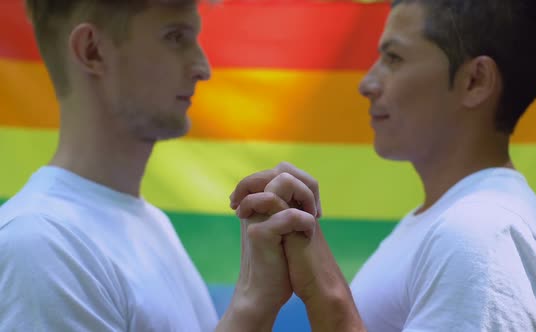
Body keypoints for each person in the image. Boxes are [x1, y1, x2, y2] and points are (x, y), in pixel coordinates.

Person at [229, 0, 536, 331]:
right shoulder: (456, 221)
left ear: (476, 81)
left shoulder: (481, 232)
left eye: (394, 58)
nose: (367, 84)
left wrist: (326, 292)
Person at [0, 1, 315, 331]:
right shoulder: (41, 247)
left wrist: (258, 299)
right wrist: (252, 301)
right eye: (176, 36)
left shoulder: (148, 223)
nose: (202, 67)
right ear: (92, 51)